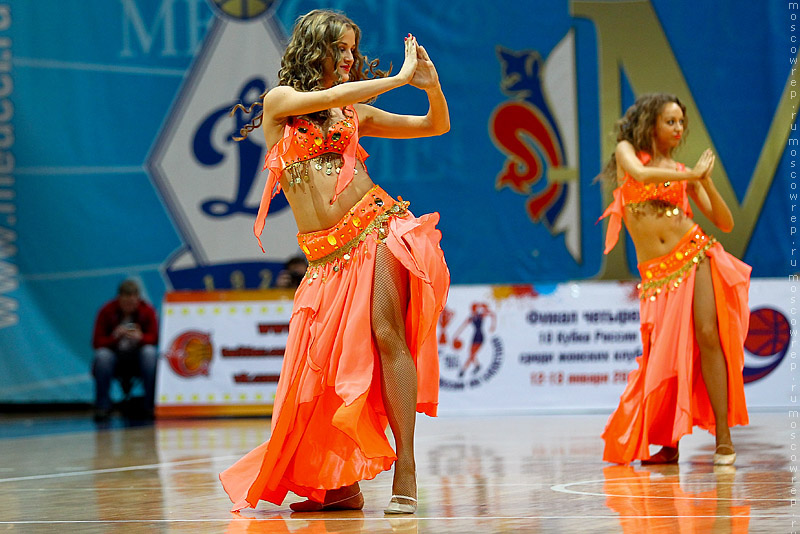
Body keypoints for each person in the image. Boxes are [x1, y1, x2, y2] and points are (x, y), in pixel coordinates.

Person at [219, 10, 450, 514]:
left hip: (378, 229)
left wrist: (429, 86)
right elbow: (327, 98)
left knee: (387, 334)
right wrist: (395, 79)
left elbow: (436, 124)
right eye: (339, 50)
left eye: (351, 50)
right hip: (325, 259)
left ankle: (406, 470)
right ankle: (339, 479)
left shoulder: (356, 116)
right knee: (322, 372)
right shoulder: (282, 104)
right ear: (312, 50)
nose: (347, 59)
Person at [598, 93, 751, 466]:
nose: (679, 128)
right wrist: (689, 175)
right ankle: (669, 444)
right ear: (651, 123)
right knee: (662, 355)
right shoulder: (626, 153)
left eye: (682, 122)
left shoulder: (685, 172)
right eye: (671, 121)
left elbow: (726, 222)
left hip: (695, 255)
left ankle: (723, 440)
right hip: (655, 276)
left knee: (708, 335)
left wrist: (704, 182)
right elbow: (642, 175)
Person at [91, 279, 159, 421]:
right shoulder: (106, 311)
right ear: (119, 299)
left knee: (150, 353)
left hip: (138, 359)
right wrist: (115, 337)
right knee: (102, 356)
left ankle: (150, 405)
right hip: (116, 359)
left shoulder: (147, 311)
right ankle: (103, 406)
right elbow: (97, 342)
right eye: (126, 303)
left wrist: (140, 338)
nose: (129, 307)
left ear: (138, 299)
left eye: (133, 303)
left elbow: (155, 339)